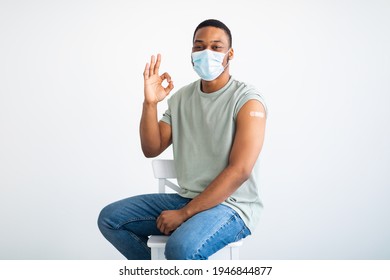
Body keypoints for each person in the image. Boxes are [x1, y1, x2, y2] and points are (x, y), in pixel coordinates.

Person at [98, 19, 267, 260]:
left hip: (232, 206)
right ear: (191, 52)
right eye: (199, 46)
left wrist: (184, 214)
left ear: (230, 53)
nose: (206, 53)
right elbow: (151, 147)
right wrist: (150, 103)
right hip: (188, 198)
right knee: (111, 219)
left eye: (216, 47)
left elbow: (240, 170)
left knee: (180, 248)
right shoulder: (181, 98)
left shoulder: (247, 100)